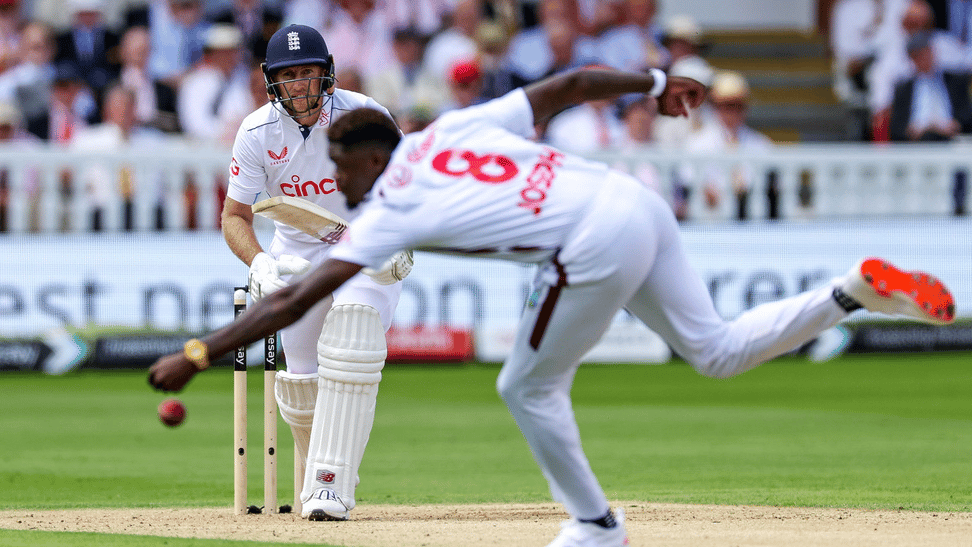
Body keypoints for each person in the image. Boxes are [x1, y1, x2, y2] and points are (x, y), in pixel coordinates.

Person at [150, 66, 956, 546]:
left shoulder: (392, 202)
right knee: (715, 351)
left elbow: (295, 296)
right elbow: (570, 87)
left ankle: (597, 526)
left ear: (369, 156)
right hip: (632, 201)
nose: (339, 179)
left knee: (524, 387)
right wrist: (655, 84)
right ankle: (850, 290)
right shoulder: (455, 128)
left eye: (342, 164)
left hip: (590, 240)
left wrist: (195, 353)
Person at [216, 24, 411, 522]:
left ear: (327, 75)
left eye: (307, 73)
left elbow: (409, 189)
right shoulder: (257, 131)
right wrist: (260, 262)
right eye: (288, 75)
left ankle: (331, 486)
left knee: (353, 330)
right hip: (297, 259)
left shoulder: (366, 116)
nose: (298, 84)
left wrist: (398, 241)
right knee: (301, 383)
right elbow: (234, 217)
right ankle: (318, 476)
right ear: (271, 80)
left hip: (366, 251)